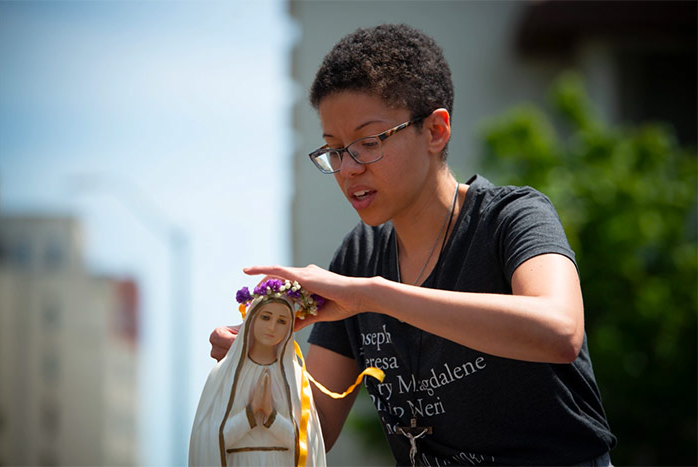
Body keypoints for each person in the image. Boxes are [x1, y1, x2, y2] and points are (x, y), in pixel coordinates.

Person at [211, 24, 616, 466]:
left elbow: (559, 332)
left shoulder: (512, 216)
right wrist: (260, 368)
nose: (348, 169)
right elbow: (316, 429)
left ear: (435, 131)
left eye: (368, 143)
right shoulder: (359, 258)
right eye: (335, 150)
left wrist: (373, 296)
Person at [192, 280, 326, 466]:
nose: (272, 327)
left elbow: (307, 443)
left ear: (290, 327)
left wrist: (271, 415)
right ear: (252, 318)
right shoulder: (223, 373)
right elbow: (208, 441)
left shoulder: (295, 376)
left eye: (281, 321)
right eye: (265, 317)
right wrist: (251, 412)